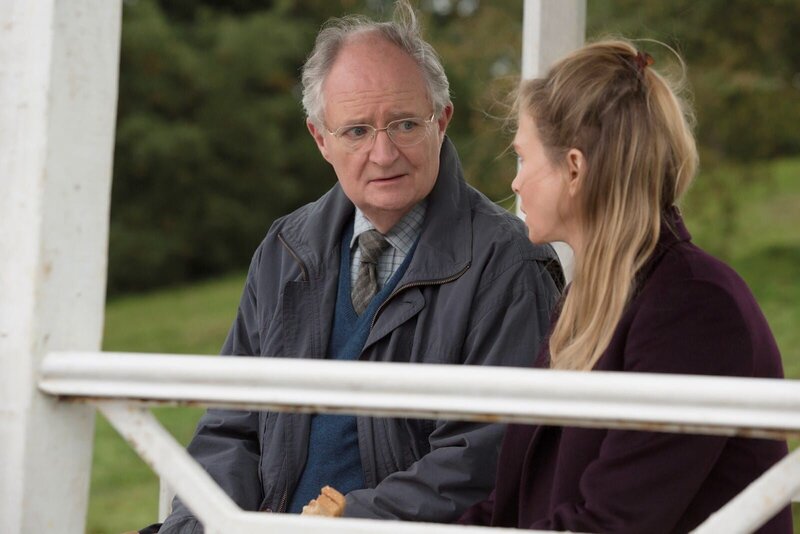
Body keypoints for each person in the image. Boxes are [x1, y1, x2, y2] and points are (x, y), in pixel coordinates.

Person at [149, 2, 562, 533]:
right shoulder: (284, 250)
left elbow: (485, 459)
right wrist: (201, 524)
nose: (383, 154)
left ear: (442, 121)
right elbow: (230, 428)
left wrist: (350, 520)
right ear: (321, 139)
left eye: (405, 124)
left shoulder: (508, 264)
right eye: (357, 131)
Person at [457, 39, 792, 533]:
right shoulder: (593, 297)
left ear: (574, 168)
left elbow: (613, 523)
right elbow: (516, 504)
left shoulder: (694, 308)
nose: (515, 182)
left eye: (523, 159)